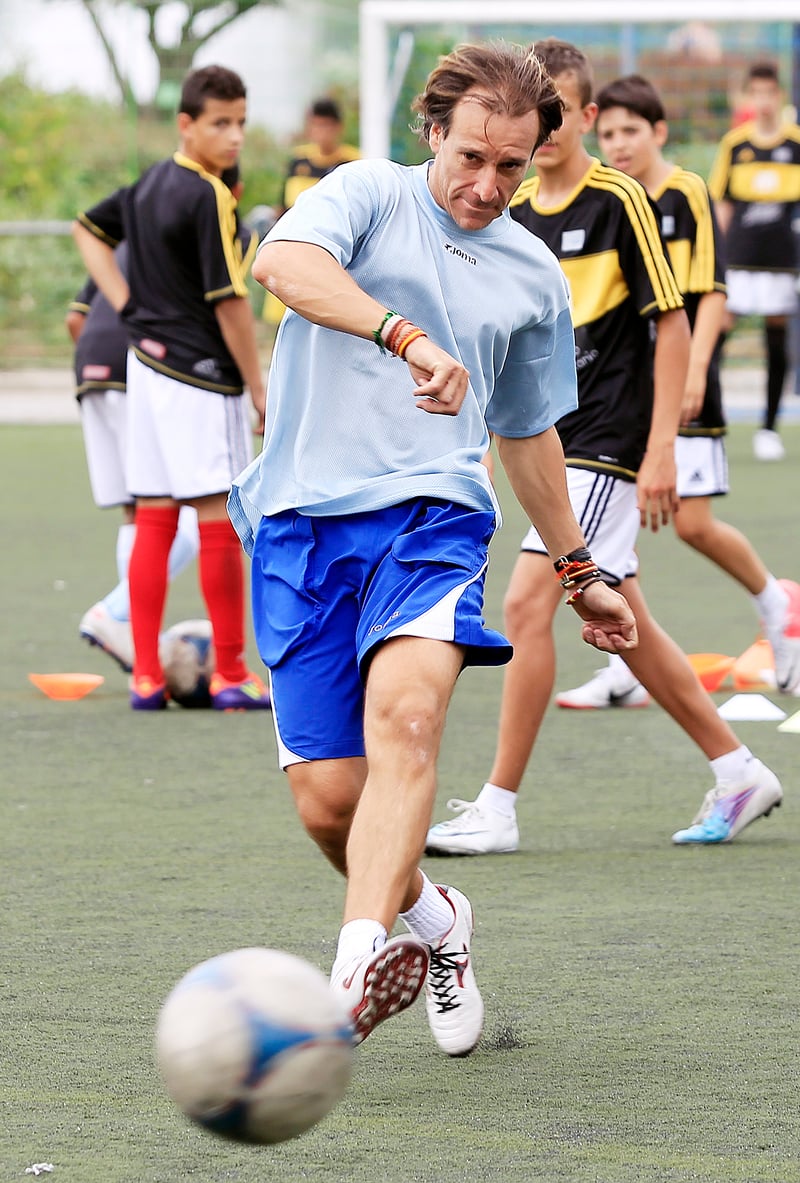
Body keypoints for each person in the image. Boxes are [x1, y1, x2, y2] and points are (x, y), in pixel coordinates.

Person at [228, 42, 637, 1052]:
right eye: (470, 158)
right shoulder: (366, 193)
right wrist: (405, 336)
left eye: (512, 167)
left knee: (407, 722)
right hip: (300, 526)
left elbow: (527, 432)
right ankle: (434, 919)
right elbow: (280, 264)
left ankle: (347, 976)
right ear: (433, 134)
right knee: (331, 802)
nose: (487, 185)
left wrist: (579, 567)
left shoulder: (533, 274)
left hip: (434, 518)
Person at [425, 40, 784, 857]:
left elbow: (671, 322)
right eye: (531, 113)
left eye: (554, 111)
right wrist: (482, 441)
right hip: (552, 438)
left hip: (610, 438)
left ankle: (498, 805)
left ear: (583, 114)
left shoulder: (621, 198)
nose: (541, 128)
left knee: (527, 603)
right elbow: (507, 347)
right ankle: (737, 769)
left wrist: (662, 449)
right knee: (628, 621)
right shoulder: (512, 210)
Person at [555, 73, 800, 710]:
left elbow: (711, 292)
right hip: (621, 392)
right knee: (615, 536)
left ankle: (778, 604)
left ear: (658, 132)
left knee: (691, 524)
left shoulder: (685, 191)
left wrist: (694, 372)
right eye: (609, 133)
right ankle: (625, 666)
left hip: (681, 382)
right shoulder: (608, 197)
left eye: (631, 131)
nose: (619, 143)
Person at [72, 65, 269, 712]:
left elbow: (86, 228)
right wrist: (257, 384)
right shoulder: (209, 193)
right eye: (221, 123)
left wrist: (126, 303)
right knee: (217, 518)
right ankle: (232, 673)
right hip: (200, 374)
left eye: (240, 122)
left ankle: (146, 678)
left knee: (154, 517)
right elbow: (230, 301)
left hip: (147, 371)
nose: (234, 136)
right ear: (186, 124)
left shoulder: (149, 182)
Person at [68, 245, 200, 674]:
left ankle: (132, 631)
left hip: (90, 366)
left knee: (137, 511)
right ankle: (114, 613)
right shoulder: (200, 227)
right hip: (141, 362)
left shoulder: (125, 240)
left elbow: (75, 318)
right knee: (192, 511)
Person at [708, 60, 800, 462]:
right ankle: (709, 419)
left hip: (783, 260)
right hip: (740, 259)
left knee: (776, 340)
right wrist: (716, 256)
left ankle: (768, 429)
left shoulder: (795, 144)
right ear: (748, 97)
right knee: (718, 333)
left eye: (769, 93)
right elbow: (722, 204)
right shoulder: (735, 145)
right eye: (756, 93)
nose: (763, 101)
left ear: (779, 96)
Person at [263, 97, 360, 326]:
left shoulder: (352, 162)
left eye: (326, 126)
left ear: (338, 127)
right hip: (295, 247)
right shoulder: (299, 161)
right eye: (316, 125)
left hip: (333, 253)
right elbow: (283, 206)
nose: (321, 133)